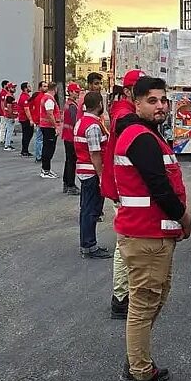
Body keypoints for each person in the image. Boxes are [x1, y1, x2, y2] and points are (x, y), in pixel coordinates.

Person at [114, 76, 189, 381]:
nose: (160, 106)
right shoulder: (141, 138)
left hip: (150, 233)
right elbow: (160, 188)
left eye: (163, 100)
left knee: (151, 301)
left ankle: (136, 363)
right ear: (137, 102)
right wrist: (184, 218)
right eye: (152, 101)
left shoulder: (141, 134)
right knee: (144, 306)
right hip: (147, 235)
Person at [102, 69, 145, 320]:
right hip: (121, 188)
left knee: (128, 241)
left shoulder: (127, 108)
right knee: (125, 244)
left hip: (123, 186)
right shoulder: (123, 110)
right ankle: (120, 297)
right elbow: (122, 122)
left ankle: (125, 293)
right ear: (128, 91)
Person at [75, 91, 111, 259]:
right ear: (99, 105)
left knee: (86, 209)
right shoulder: (94, 126)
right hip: (91, 172)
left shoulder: (82, 121)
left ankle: (87, 243)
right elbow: (95, 153)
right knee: (91, 210)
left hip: (84, 171)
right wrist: (102, 175)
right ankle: (89, 246)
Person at [61, 83, 83, 195]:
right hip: (71, 137)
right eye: (75, 91)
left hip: (67, 136)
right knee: (72, 162)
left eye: (78, 91)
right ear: (70, 92)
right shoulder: (73, 106)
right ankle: (70, 185)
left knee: (68, 161)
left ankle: (66, 183)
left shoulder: (68, 104)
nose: (77, 93)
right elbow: (76, 122)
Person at [37, 81, 60, 179]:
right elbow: (50, 113)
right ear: (55, 89)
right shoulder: (49, 99)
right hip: (48, 127)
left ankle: (46, 169)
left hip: (45, 126)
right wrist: (56, 126)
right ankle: (46, 170)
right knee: (49, 149)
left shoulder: (45, 97)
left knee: (47, 147)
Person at [30, 80, 47, 161]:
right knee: (40, 139)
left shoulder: (37, 96)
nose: (46, 88)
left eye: (46, 86)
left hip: (38, 120)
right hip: (41, 121)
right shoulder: (42, 97)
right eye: (44, 86)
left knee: (39, 139)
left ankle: (39, 155)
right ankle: (39, 155)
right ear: (40, 87)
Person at [17, 83, 33, 158]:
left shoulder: (26, 96)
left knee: (27, 134)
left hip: (24, 118)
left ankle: (25, 150)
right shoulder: (25, 97)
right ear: (25, 88)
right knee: (27, 134)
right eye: (29, 86)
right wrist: (31, 119)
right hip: (25, 119)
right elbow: (26, 109)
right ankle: (24, 150)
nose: (30, 87)